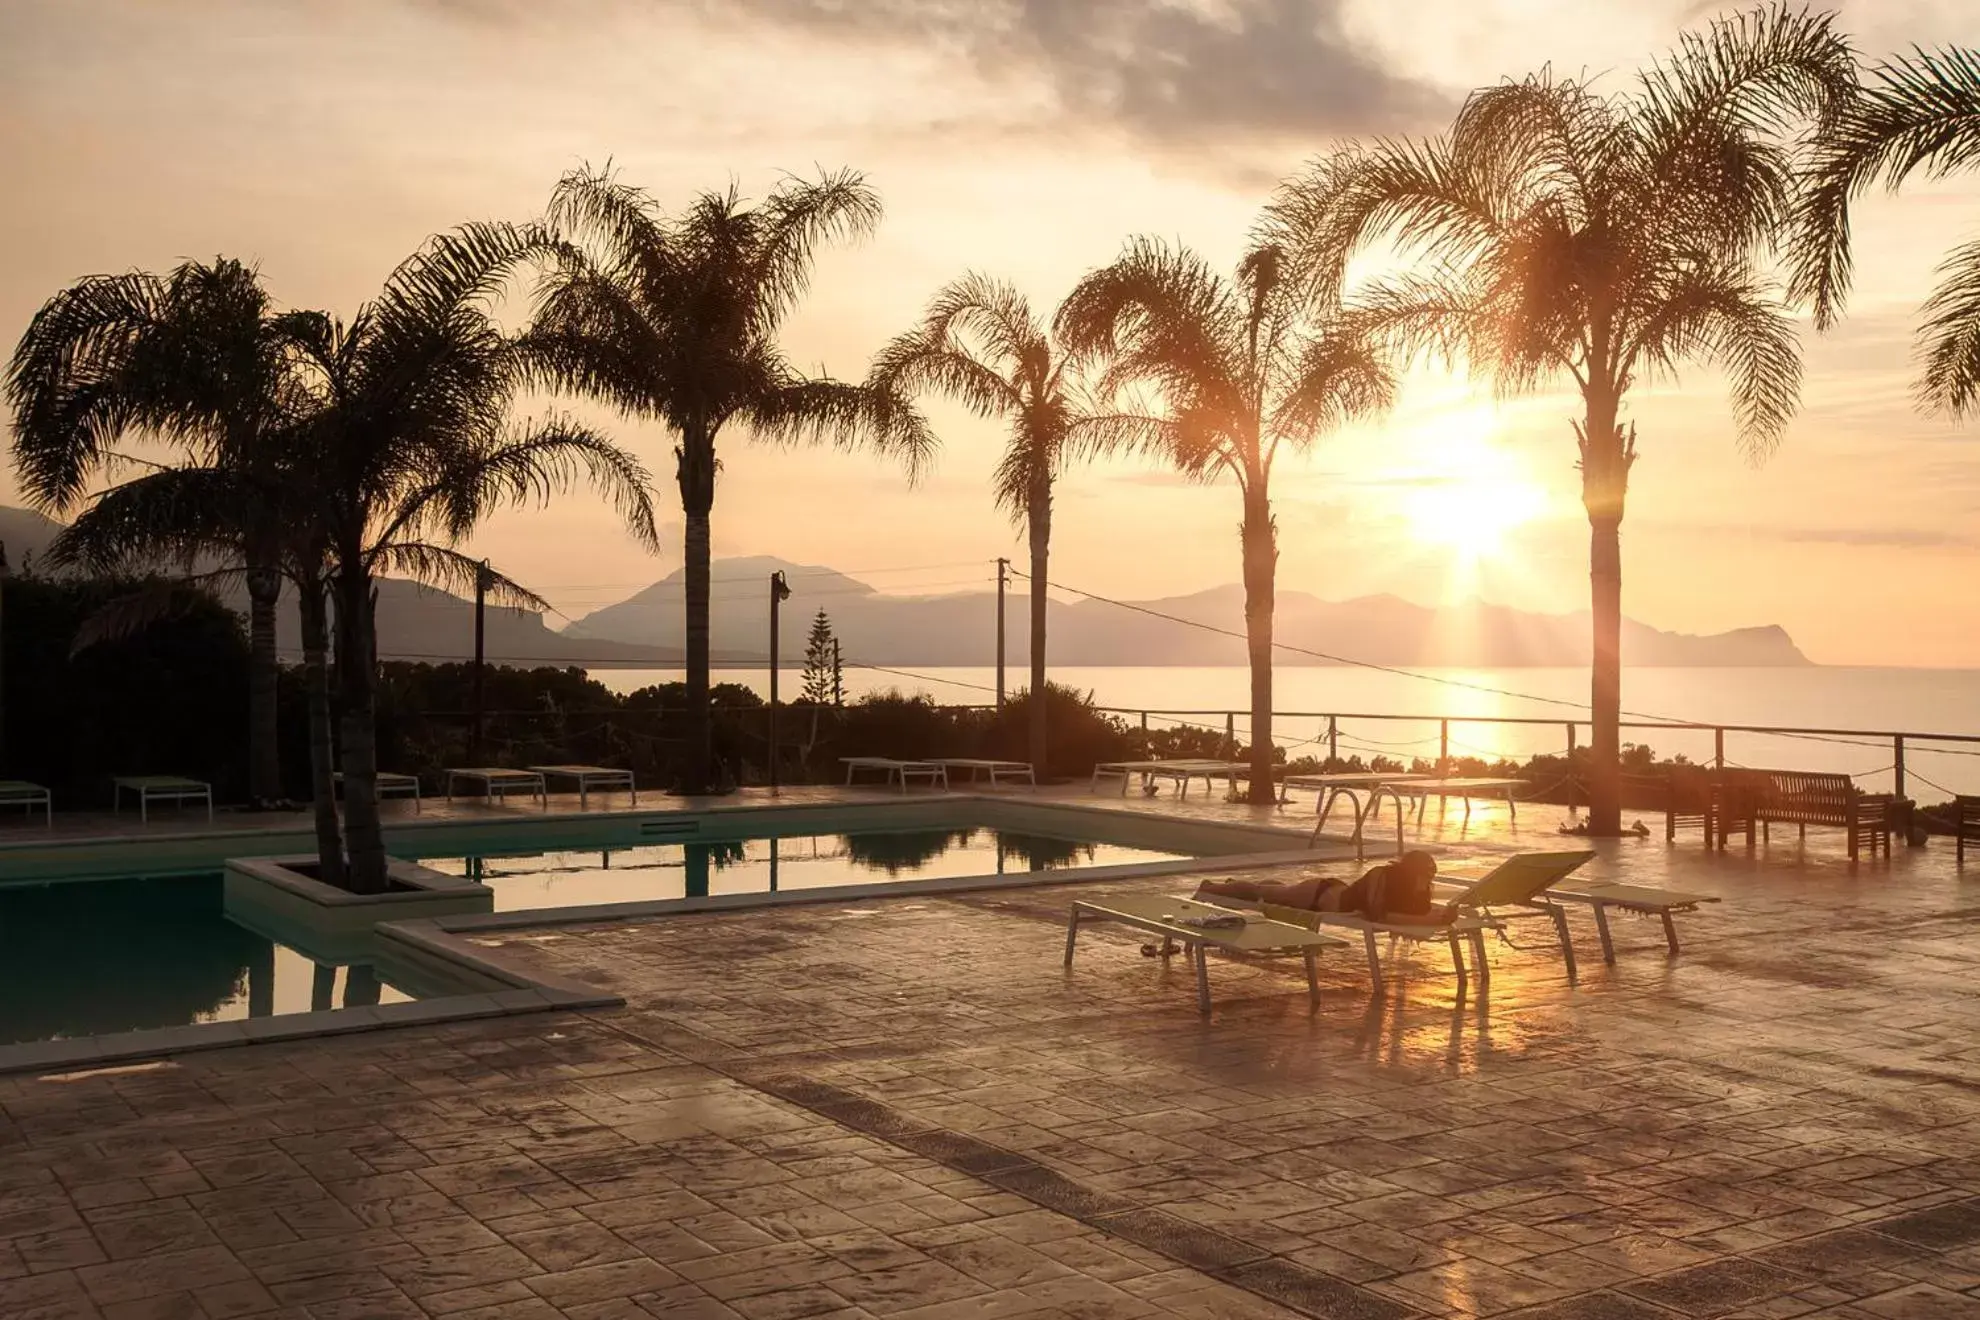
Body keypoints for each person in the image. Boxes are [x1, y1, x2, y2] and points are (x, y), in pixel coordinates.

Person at [1195, 850, 1453, 923]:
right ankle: (1211, 887)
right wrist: (1431, 921)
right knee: (1261, 894)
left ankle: (1235, 885)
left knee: (1277, 890)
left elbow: (1415, 911)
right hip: (1319, 895)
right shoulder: (1380, 875)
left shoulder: (1415, 889)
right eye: (1424, 876)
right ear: (1409, 872)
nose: (1427, 883)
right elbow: (1380, 916)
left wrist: (1438, 914)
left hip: (1332, 891)